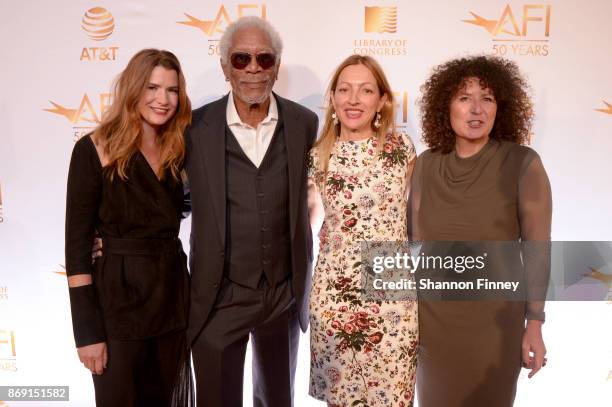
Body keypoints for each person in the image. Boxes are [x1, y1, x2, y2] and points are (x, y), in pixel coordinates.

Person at [184, 17, 318, 406]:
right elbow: (169, 198)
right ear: (226, 67)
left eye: (264, 58)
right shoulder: (194, 128)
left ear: (277, 66)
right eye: (242, 59)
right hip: (218, 296)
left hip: (283, 295)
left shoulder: (303, 123)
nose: (254, 69)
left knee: (277, 399)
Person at [411, 55, 552, 407]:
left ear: (499, 107)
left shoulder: (523, 163)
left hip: (496, 325)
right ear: (446, 107)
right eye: (464, 98)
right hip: (432, 325)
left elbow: (538, 248)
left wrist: (534, 323)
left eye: (486, 98)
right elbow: (411, 243)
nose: (476, 109)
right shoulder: (425, 165)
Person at [65, 49, 193, 407]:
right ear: (133, 89)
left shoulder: (179, 147)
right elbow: (76, 250)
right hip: (116, 305)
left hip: (170, 302)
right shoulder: (94, 148)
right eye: (152, 87)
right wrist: (86, 332)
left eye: (172, 90)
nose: (162, 99)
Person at [307, 55, 418, 406]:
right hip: (335, 295)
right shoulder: (317, 155)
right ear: (334, 98)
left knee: (393, 397)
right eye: (345, 90)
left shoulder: (402, 150)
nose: (354, 100)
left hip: (391, 297)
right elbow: (303, 224)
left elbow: (418, 222)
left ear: (383, 100)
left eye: (366, 90)